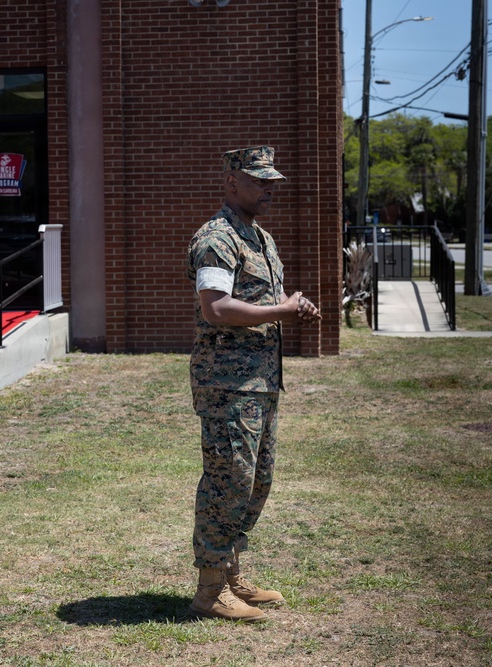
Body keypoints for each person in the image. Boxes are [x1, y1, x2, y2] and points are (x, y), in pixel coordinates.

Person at [186, 146, 321, 623]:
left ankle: (230, 573)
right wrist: (281, 311)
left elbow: (264, 298)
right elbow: (216, 308)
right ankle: (208, 591)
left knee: (256, 481)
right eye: (260, 180)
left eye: (272, 182)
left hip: (260, 382)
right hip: (227, 385)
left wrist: (292, 303)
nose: (269, 188)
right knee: (229, 481)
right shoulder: (217, 239)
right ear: (231, 182)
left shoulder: (260, 238)